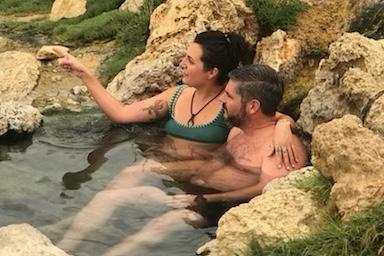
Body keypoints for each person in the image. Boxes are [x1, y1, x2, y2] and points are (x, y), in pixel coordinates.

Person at [55, 32, 299, 250]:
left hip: (212, 199)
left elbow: (266, 118)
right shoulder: (188, 100)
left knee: (161, 223)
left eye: (190, 60)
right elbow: (121, 114)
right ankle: (66, 239)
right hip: (184, 177)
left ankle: (86, 236)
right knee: (120, 187)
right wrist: (84, 74)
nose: (181, 63)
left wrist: (285, 125)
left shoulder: (233, 112)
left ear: (212, 72)